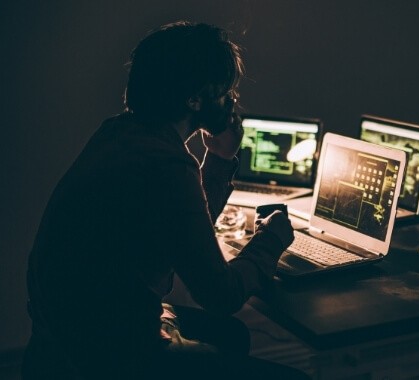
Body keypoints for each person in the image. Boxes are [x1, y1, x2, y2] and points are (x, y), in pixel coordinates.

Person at [23, 21, 308, 379]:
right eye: (226, 91)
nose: (232, 101)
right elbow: (221, 295)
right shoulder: (164, 165)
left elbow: (183, 232)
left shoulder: (118, 133)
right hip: (109, 356)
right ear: (195, 98)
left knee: (232, 335)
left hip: (65, 338)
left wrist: (219, 160)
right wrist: (273, 239)